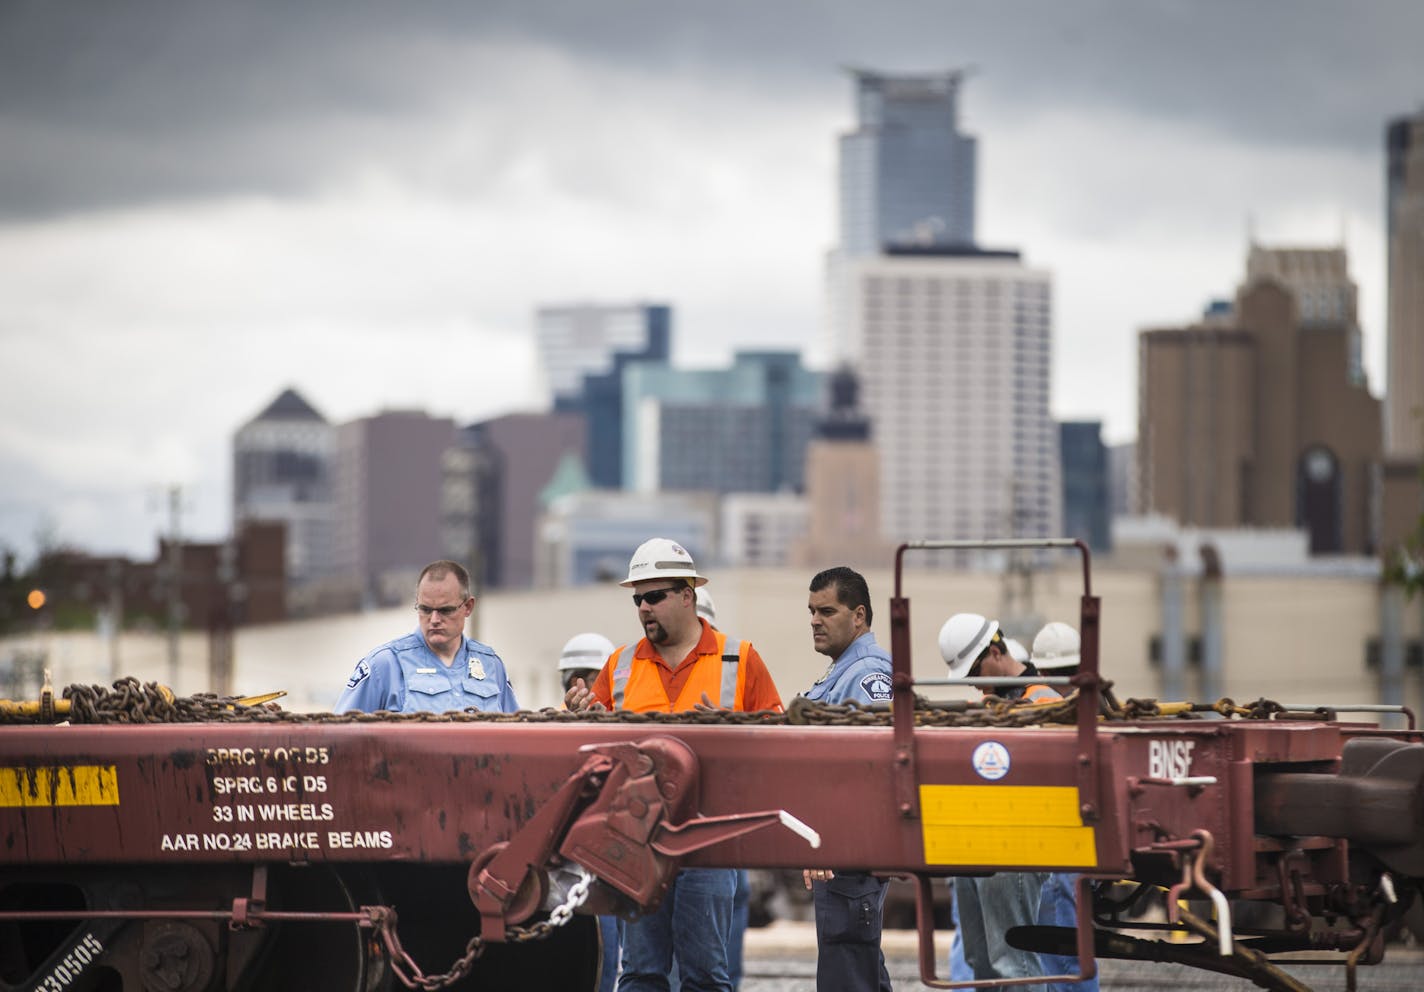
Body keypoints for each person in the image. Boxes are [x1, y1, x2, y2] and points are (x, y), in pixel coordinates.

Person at [565, 538, 783, 992]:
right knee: (641, 973)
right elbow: (593, 750)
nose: (644, 607)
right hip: (638, 842)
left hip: (709, 842)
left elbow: (777, 745)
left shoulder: (739, 660)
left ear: (688, 595)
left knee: (704, 975)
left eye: (655, 595)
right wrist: (581, 714)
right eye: (637, 598)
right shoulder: (620, 665)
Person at [936, 613, 1052, 991]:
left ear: (997, 652)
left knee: (1014, 964)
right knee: (981, 961)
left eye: (975, 670)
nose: (973, 684)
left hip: (1015, 846)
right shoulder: (992, 705)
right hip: (978, 845)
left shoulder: (1044, 702)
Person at [799, 566, 894, 992]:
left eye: (827, 611)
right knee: (861, 971)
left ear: (859, 616)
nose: (815, 620)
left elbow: (869, 771)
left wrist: (831, 839)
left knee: (847, 976)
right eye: (811, 611)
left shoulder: (867, 676)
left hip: (849, 857)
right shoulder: (843, 673)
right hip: (843, 857)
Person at [336, 560, 518, 714]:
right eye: (425, 609)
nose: (434, 619)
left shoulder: (491, 666)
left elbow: (513, 738)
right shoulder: (384, 666)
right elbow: (340, 737)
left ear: (468, 607)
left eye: (445, 610)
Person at [1029, 622, 1099, 992]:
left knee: (1061, 952)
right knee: (1073, 949)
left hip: (1059, 844)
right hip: (1082, 842)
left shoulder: (1041, 703)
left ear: (1040, 670)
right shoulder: (1095, 703)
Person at [557, 632, 623, 992]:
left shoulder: (623, 731)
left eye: (590, 677)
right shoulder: (554, 733)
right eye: (575, 677)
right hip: (582, 866)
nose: (581, 687)